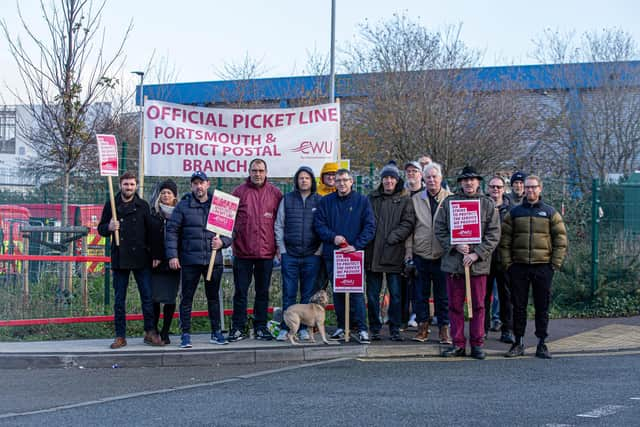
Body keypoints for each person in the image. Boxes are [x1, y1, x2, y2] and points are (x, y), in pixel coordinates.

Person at [435, 166, 500, 360]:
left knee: (479, 305)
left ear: (478, 182)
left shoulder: (487, 204)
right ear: (460, 183)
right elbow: (439, 229)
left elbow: (494, 233)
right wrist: (455, 245)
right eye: (465, 180)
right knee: (455, 306)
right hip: (454, 265)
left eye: (472, 180)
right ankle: (458, 344)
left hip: (478, 266)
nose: (469, 183)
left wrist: (477, 253)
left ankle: (477, 343)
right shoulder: (449, 203)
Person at [501, 175, 568, 359]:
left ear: (540, 188)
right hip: (519, 267)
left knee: (542, 306)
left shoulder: (550, 213)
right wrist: (508, 264)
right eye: (527, 187)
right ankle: (518, 342)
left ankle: (541, 344)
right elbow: (504, 241)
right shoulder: (514, 213)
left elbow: (560, 240)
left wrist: (554, 264)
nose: (530, 190)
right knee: (519, 306)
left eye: (533, 187)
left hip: (543, 267)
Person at [166, 171, 232, 348]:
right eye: (195, 183)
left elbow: (230, 232)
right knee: (186, 298)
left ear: (208, 184)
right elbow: (172, 231)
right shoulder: (183, 206)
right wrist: (173, 255)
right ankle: (185, 334)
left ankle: (216, 332)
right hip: (190, 260)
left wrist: (223, 242)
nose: (199, 186)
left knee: (213, 298)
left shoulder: (219, 205)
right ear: (191, 186)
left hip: (213, 261)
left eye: (201, 183)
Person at [98, 171, 162, 349]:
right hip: (120, 256)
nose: (129, 187)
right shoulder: (111, 204)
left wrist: (156, 254)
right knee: (119, 299)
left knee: (147, 297)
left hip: (142, 256)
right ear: (120, 185)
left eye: (132, 184)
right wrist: (109, 227)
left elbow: (152, 232)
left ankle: (150, 332)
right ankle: (120, 336)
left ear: (136, 186)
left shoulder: (142, 205)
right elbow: (100, 229)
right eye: (126, 184)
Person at [314, 168, 376, 344]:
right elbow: (319, 225)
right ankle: (342, 326)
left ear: (351, 182)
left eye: (345, 180)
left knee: (356, 292)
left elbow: (370, 226)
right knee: (338, 292)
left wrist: (356, 245)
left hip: (353, 254)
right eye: (338, 180)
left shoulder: (362, 201)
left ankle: (362, 329)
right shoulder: (326, 202)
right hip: (333, 254)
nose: (341, 183)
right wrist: (333, 237)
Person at [228, 158, 283, 341]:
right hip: (242, 252)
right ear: (249, 172)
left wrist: (278, 249)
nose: (257, 174)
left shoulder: (275, 193)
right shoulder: (238, 192)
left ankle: (260, 326)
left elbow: (280, 223)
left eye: (260, 170)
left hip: (266, 253)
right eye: (254, 170)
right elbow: (227, 221)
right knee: (240, 292)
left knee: (263, 292)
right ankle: (238, 327)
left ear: (266, 172)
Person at [365, 162, 415, 341]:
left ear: (397, 180)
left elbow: (408, 223)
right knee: (372, 295)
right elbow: (365, 220)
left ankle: (395, 328)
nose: (388, 181)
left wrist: (393, 237)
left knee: (395, 295)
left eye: (392, 178)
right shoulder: (371, 198)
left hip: (394, 253)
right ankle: (375, 328)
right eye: (385, 178)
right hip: (373, 254)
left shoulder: (405, 199)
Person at [274, 166, 322, 342]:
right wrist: (282, 249)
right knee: (289, 293)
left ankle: (304, 329)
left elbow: (324, 227)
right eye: (301, 178)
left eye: (307, 178)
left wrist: (319, 250)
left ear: (312, 181)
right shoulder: (287, 199)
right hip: (290, 255)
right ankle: (286, 328)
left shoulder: (319, 200)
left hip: (312, 255)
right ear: (296, 181)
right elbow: (279, 225)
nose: (304, 180)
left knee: (308, 295)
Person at [408, 162, 453, 345]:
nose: (432, 180)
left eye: (435, 176)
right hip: (421, 254)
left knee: (444, 296)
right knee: (421, 296)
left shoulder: (451, 198)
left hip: (443, 254)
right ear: (423, 179)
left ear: (441, 178)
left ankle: (444, 330)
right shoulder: (415, 199)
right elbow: (410, 229)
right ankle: (422, 328)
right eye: (428, 177)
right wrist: (408, 252)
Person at [149, 179, 180, 345]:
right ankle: (153, 330)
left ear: (175, 196)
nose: (166, 195)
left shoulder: (180, 213)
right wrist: (155, 254)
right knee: (154, 298)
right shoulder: (153, 214)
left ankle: (166, 331)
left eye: (169, 193)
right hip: (156, 262)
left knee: (169, 298)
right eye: (163, 193)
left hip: (173, 262)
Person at [484, 175, 515, 344]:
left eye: (498, 187)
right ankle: (483, 329)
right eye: (492, 187)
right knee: (483, 296)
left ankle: (507, 330)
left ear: (504, 189)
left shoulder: (512, 209)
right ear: (487, 188)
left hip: (504, 259)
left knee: (506, 297)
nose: (495, 190)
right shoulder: (481, 206)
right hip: (485, 258)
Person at [402, 160, 425, 329]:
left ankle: (417, 314)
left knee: (419, 284)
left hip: (420, 244)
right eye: (408, 171)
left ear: (421, 174)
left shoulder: (425, 194)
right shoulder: (402, 194)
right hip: (401, 244)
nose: (411, 174)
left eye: (414, 171)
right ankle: (402, 314)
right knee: (402, 284)